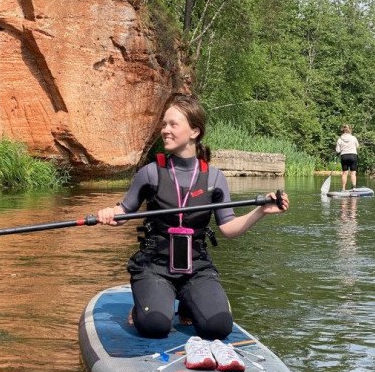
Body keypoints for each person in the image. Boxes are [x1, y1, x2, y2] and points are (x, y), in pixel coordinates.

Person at [97, 94, 289, 344]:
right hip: (155, 266)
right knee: (155, 326)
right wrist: (111, 213)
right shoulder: (150, 172)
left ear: (194, 131)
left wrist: (260, 211)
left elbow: (228, 228)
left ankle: (188, 303)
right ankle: (143, 307)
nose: (165, 130)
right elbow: (125, 210)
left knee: (218, 327)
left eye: (172, 124)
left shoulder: (214, 178)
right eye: (164, 124)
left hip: (196, 266)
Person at [335, 125, 360, 191]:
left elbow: (337, 150)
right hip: (352, 156)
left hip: (344, 156)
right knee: (353, 173)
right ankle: (354, 188)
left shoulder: (340, 139)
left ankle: (343, 189)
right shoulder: (353, 138)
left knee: (344, 173)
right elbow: (357, 146)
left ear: (343, 131)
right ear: (350, 130)